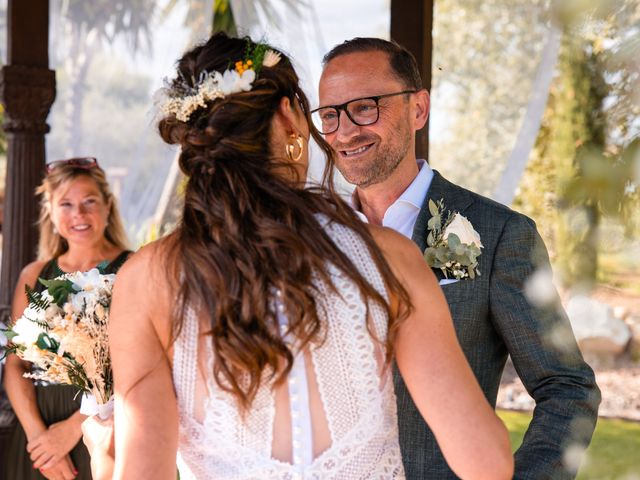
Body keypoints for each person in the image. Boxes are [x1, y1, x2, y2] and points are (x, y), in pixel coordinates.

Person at [81, 32, 513, 480]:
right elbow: (488, 461)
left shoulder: (146, 280)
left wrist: (102, 454)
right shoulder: (390, 259)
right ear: (289, 116)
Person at [315, 37, 601, 479]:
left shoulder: (499, 234)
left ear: (418, 110)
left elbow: (566, 387)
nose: (344, 131)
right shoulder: (311, 239)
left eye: (365, 107)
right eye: (331, 114)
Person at [3, 157, 131, 480]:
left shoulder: (136, 268)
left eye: (89, 201)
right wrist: (38, 438)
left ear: (108, 205)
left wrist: (75, 428)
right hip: (39, 438)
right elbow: (16, 365)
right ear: (50, 209)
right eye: (67, 204)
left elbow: (146, 362)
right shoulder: (34, 276)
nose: (79, 214)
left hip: (108, 429)